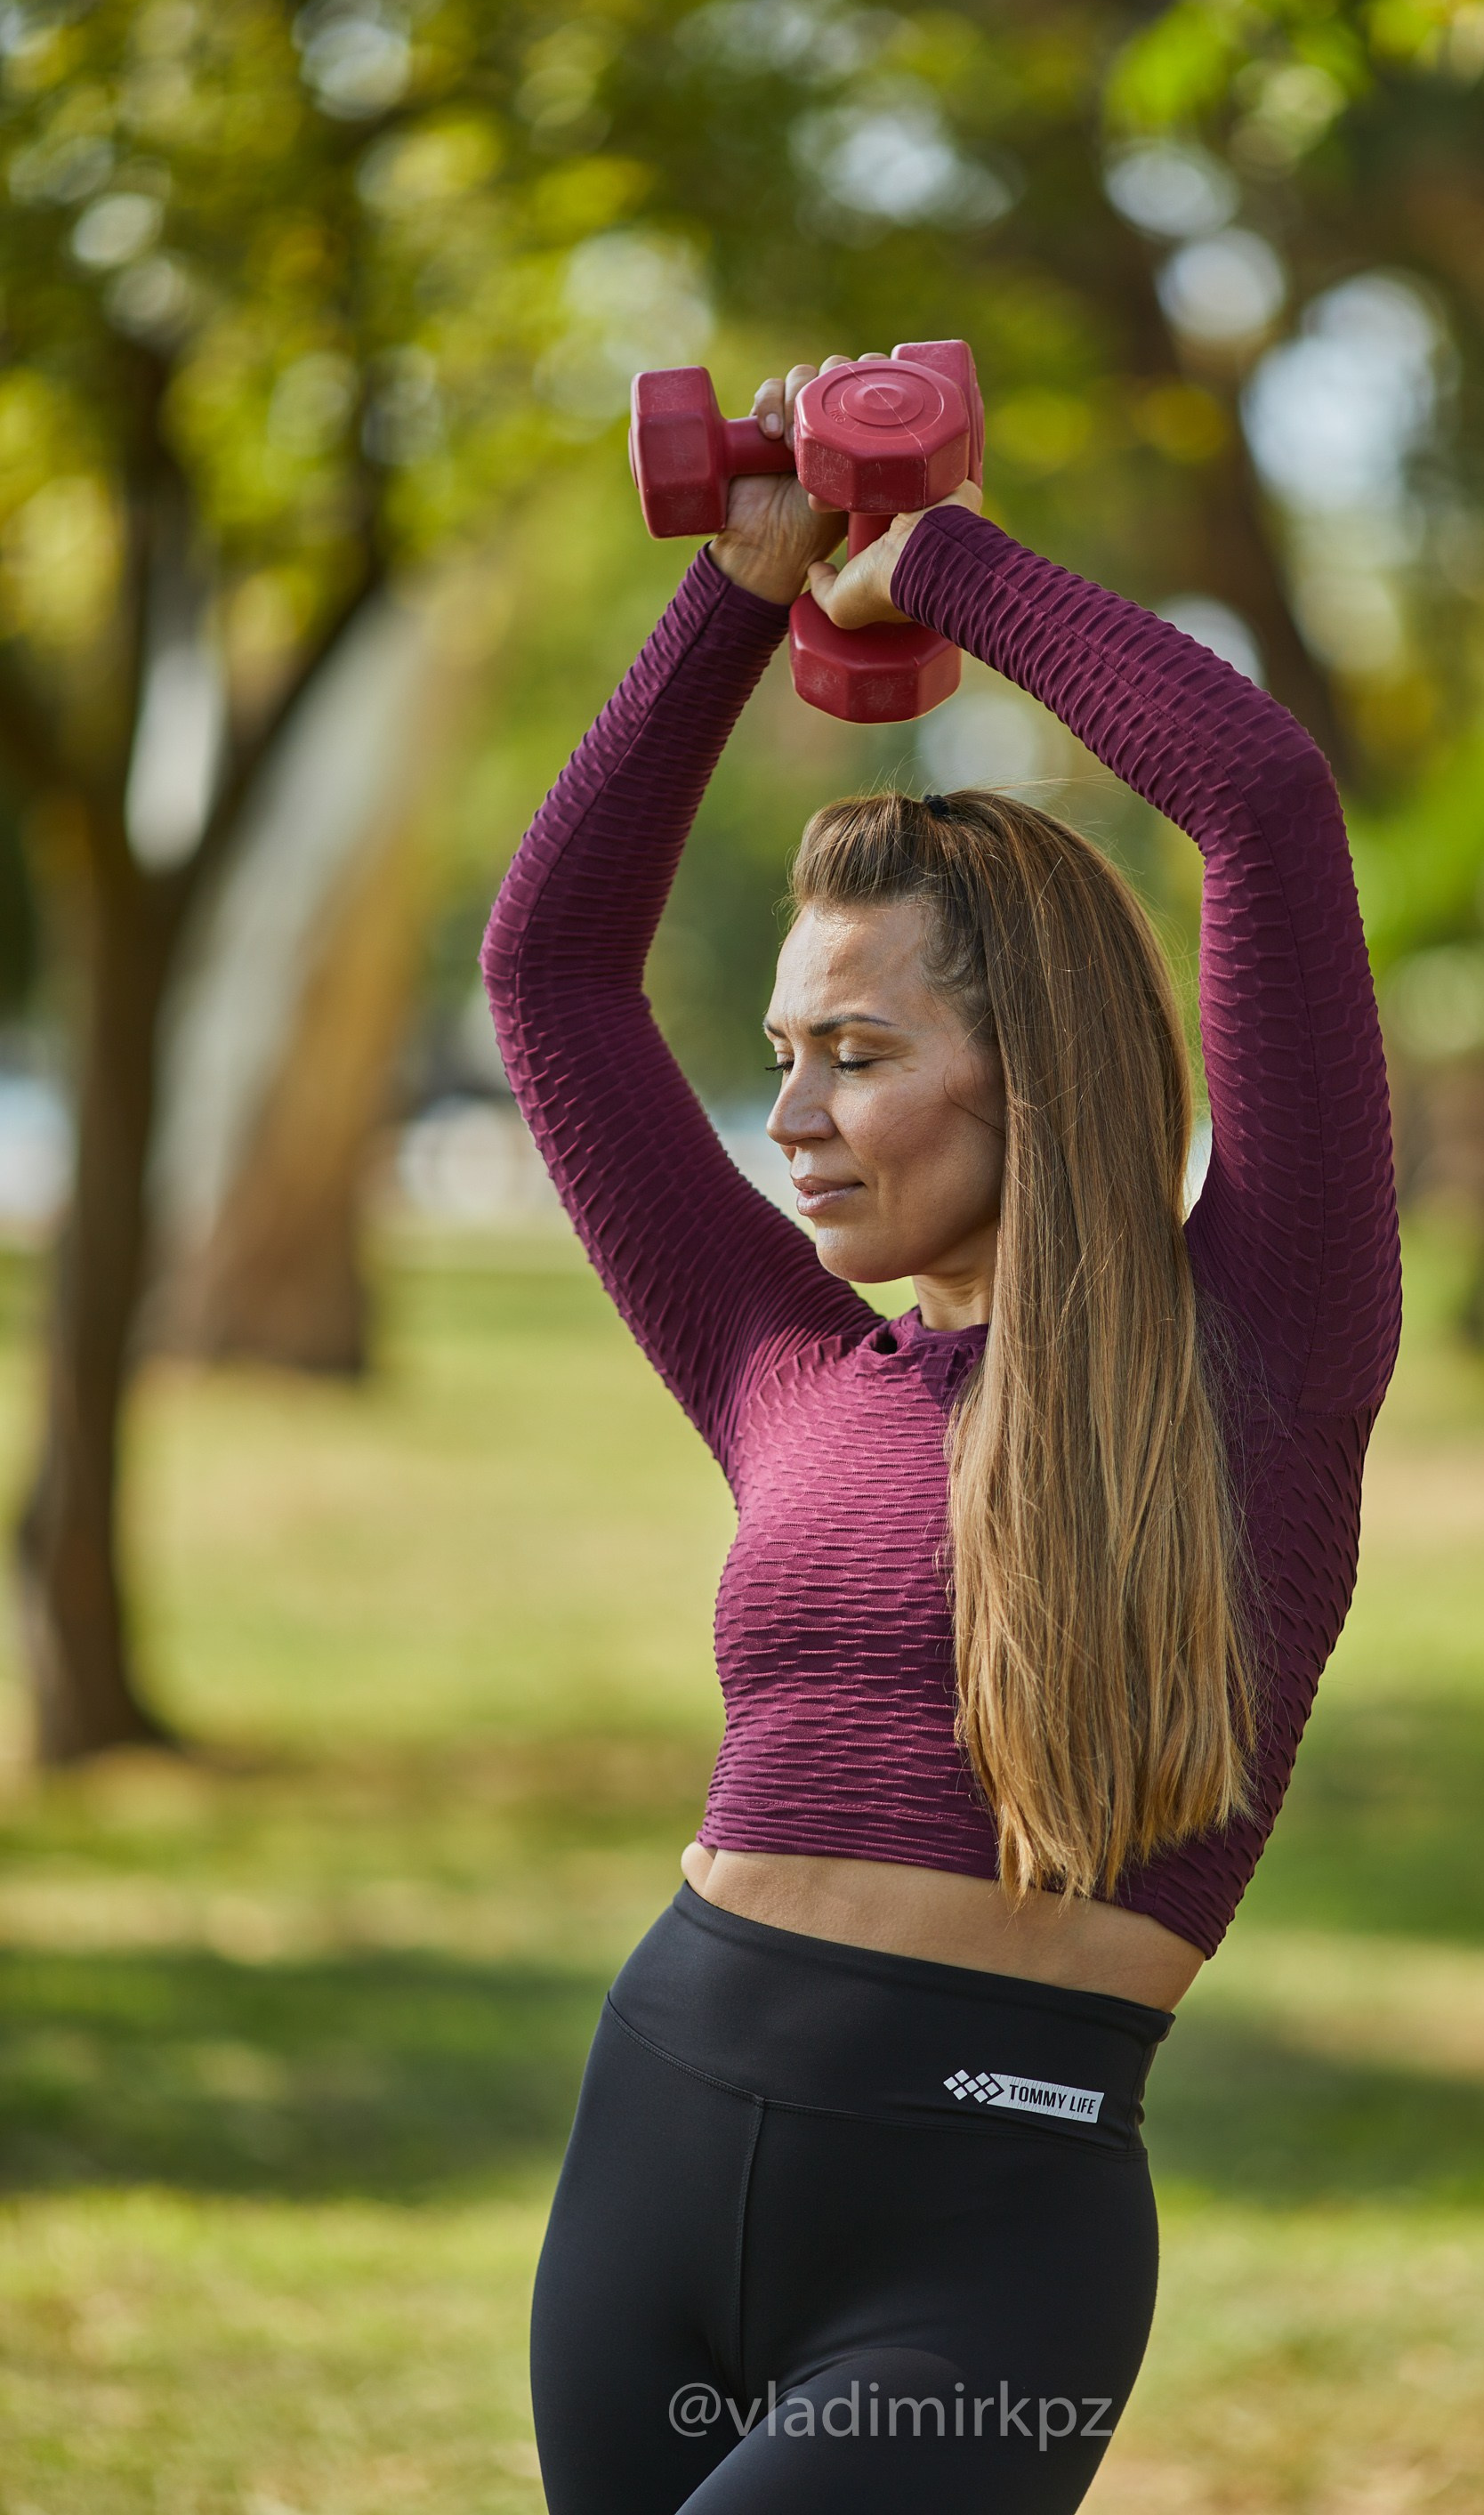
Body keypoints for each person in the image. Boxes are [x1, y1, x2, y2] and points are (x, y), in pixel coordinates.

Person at [482, 352, 1400, 2514]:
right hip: (652, 2155)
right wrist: (735, 594)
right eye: (782, 1052)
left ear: (1042, 1074)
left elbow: (1258, 806)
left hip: (981, 2241)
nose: (788, 1121)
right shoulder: (789, 1365)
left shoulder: (1264, 1357)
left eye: (857, 1054)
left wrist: (942, 568)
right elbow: (551, 977)